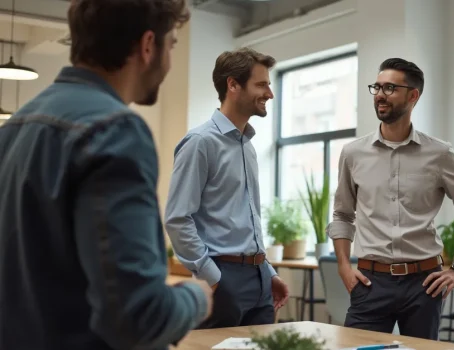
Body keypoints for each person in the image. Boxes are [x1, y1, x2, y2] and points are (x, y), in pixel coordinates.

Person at [0, 1, 213, 349]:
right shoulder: (115, 130)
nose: (170, 60)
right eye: (171, 44)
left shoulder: (15, 127)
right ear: (148, 45)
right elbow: (138, 316)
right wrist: (197, 297)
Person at [327, 57, 454, 340]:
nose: (379, 95)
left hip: (424, 283)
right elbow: (342, 214)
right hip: (370, 281)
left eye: (389, 88)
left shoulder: (440, 154)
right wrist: (343, 265)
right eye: (376, 87)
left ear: (413, 95)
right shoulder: (353, 153)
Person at [165, 48, 289, 329]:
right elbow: (177, 219)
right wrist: (215, 278)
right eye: (262, 84)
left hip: (259, 279)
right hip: (224, 277)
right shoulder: (200, 142)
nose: (269, 93)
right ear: (233, 85)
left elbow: (247, 220)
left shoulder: (248, 145)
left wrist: (267, 273)